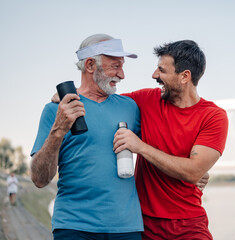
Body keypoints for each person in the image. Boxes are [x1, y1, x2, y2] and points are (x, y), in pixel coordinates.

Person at [30, 34, 144, 240]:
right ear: (90, 65)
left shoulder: (130, 107)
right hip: (74, 227)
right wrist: (58, 129)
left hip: (126, 227)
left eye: (122, 66)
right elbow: (39, 180)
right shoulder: (56, 110)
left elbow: (158, 144)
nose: (122, 75)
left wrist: (196, 167)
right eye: (115, 66)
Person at [113, 40, 228, 239]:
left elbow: (193, 172)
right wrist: (71, 95)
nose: (154, 75)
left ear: (185, 76)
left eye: (162, 70)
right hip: (144, 225)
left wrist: (140, 147)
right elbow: (102, 102)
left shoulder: (213, 116)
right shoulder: (146, 100)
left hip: (189, 225)